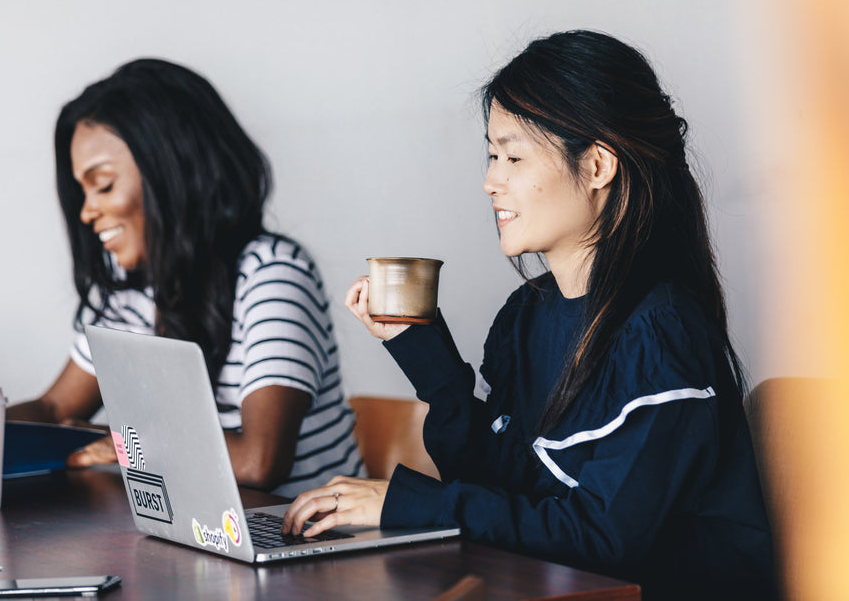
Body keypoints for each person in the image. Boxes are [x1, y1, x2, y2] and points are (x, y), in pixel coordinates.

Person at [282, 31, 778, 599]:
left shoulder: (660, 333)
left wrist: (405, 503)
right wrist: (423, 353)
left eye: (513, 156)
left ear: (596, 165)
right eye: (493, 156)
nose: (491, 181)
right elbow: (500, 484)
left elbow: (603, 539)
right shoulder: (527, 314)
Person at [0, 58, 362, 497]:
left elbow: (259, 462)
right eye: (82, 191)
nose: (87, 211)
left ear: (174, 172)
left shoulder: (273, 275)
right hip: (211, 541)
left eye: (102, 184)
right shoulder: (131, 292)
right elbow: (55, 409)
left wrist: (124, 447)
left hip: (310, 546)